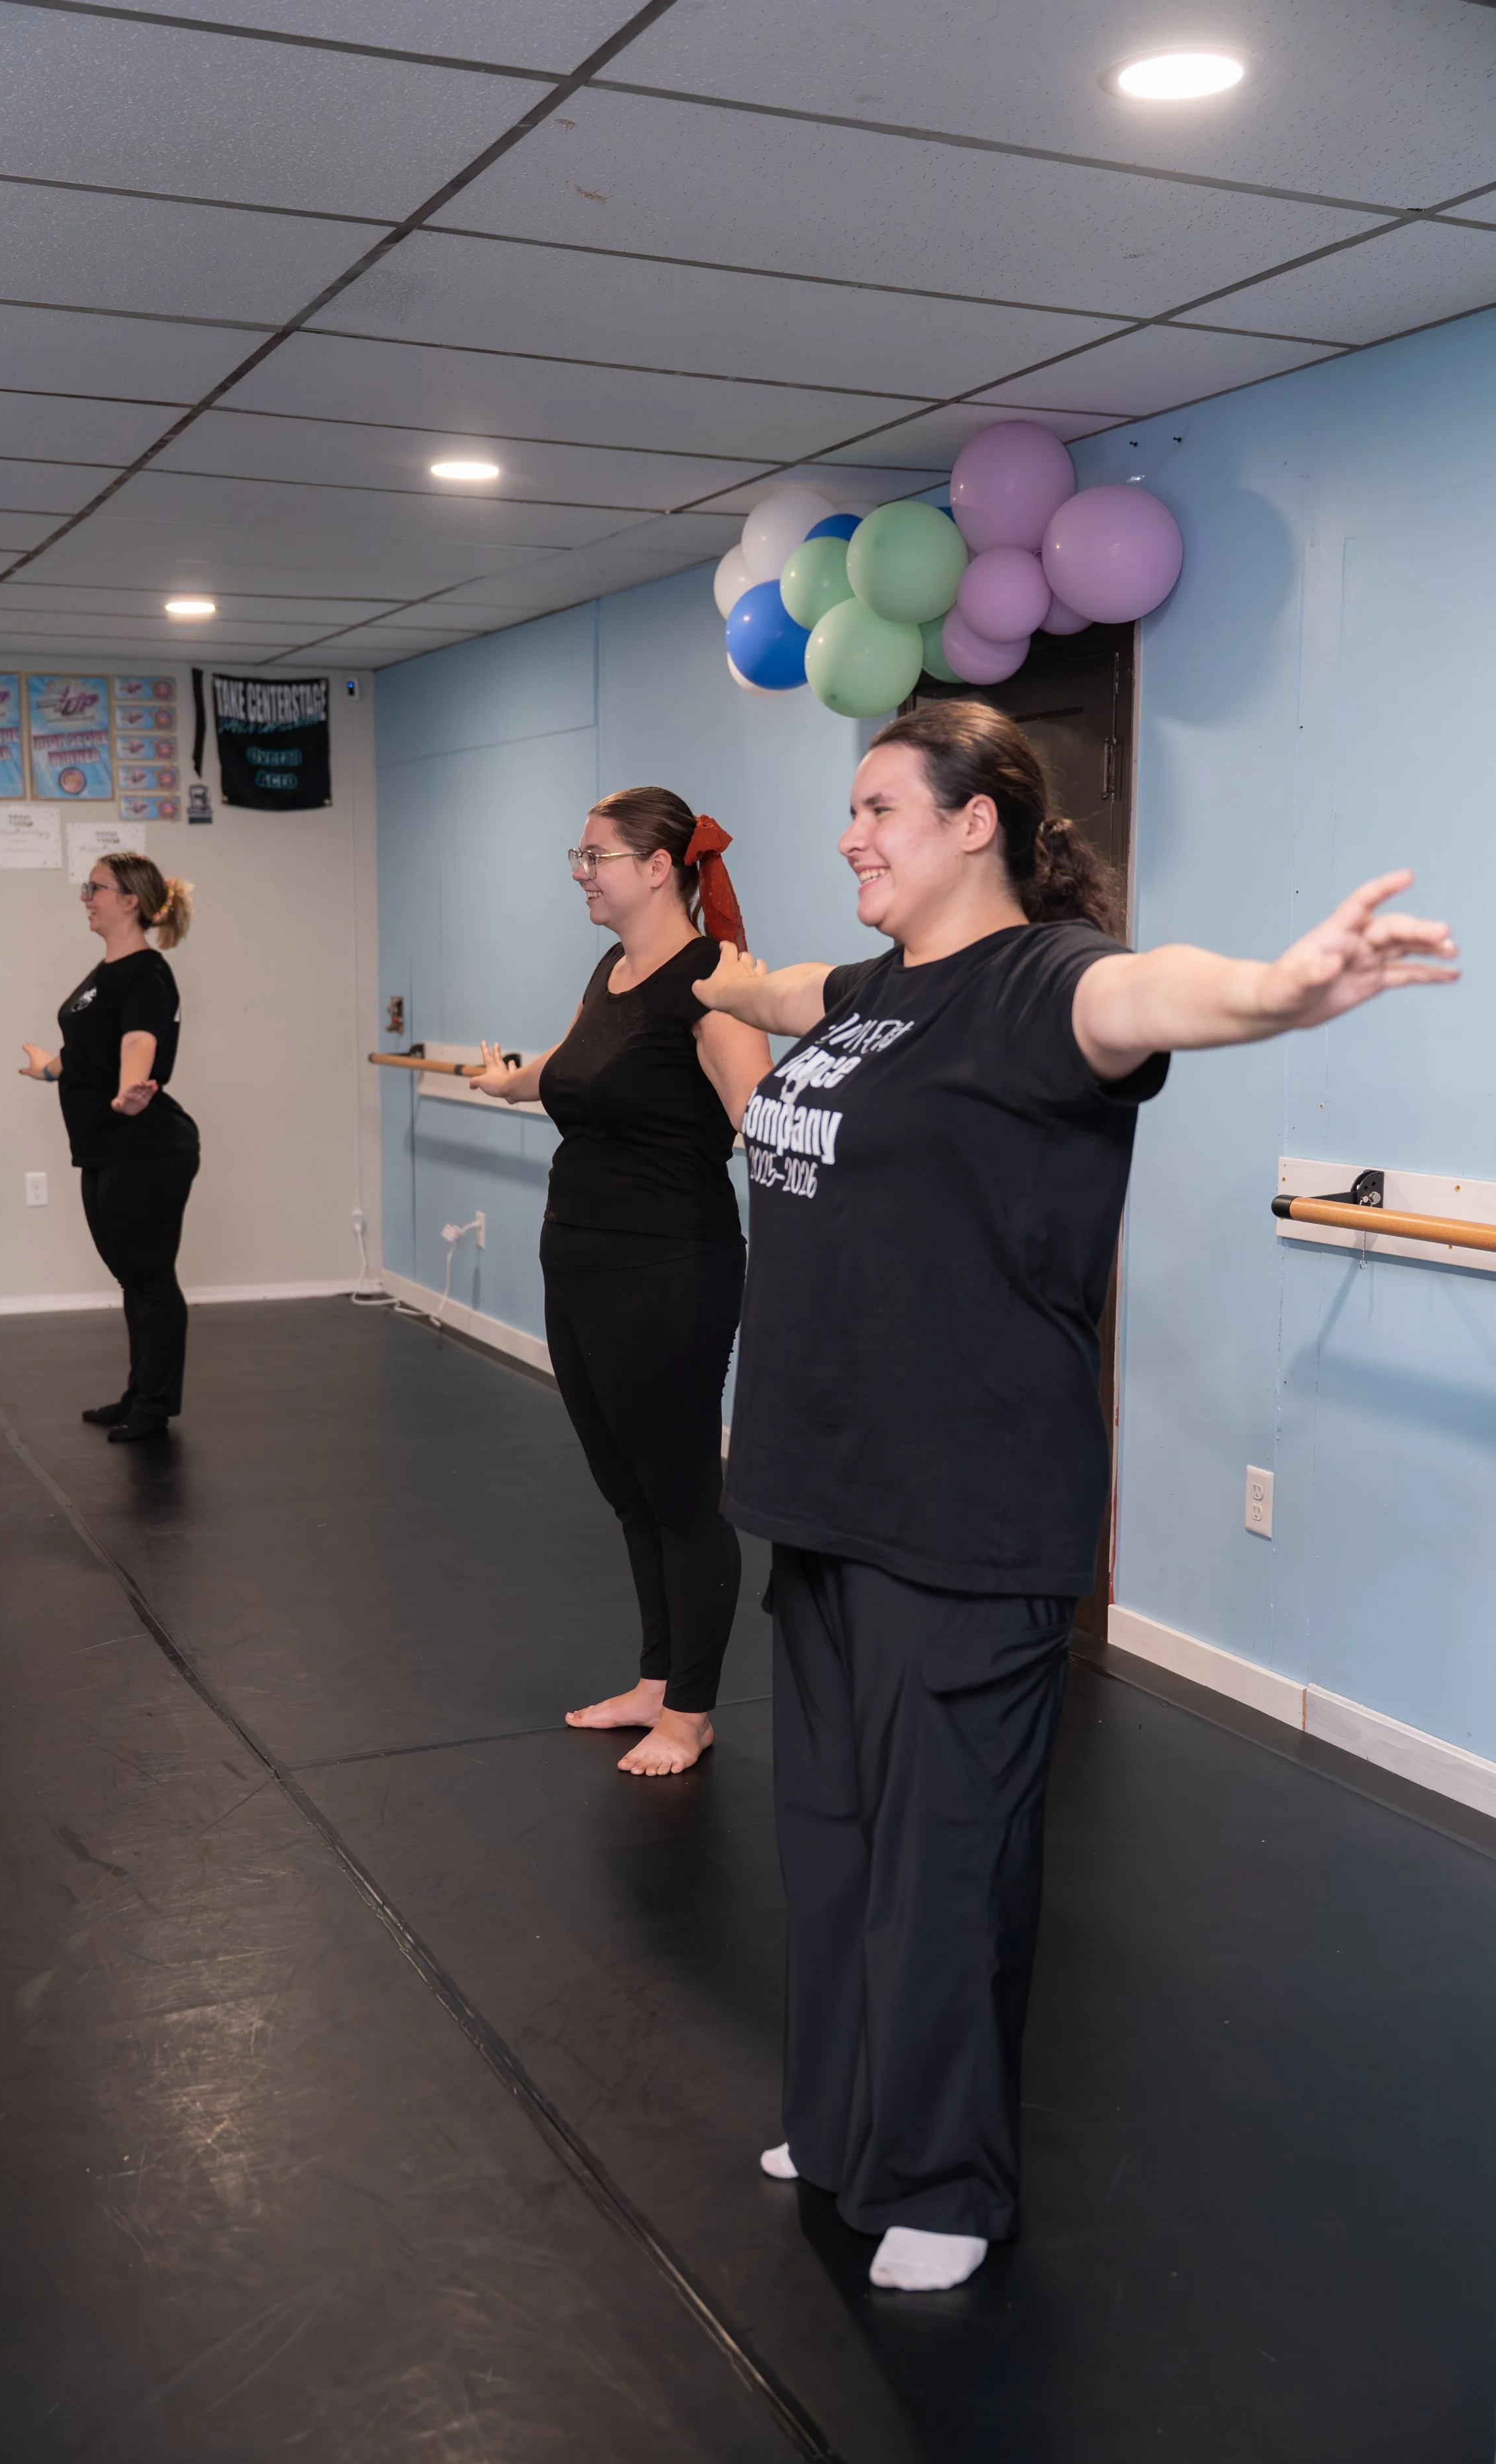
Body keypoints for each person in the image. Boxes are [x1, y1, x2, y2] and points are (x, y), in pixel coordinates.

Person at [693, 698, 1457, 2291]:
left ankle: (943, 2179)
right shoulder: (876, 989)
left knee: (945, 1853)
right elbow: (777, 987)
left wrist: (1277, 989)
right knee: (830, 1830)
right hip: (827, 1485)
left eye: (878, 805)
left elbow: (1154, 993)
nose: (851, 832)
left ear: (976, 821)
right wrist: (717, 970)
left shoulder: (1042, 986)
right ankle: (840, 2114)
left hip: (969, 1503)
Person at [473, 792, 771, 1777]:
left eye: (594, 854)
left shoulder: (713, 984)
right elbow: (574, 1062)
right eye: (579, 852)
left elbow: (767, 1125)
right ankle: (656, 1679)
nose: (579, 870)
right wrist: (508, 1080)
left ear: (657, 867)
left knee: (681, 1490)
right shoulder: (613, 968)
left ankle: (692, 1709)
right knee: (626, 1484)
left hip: (669, 1270)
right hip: (582, 1259)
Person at [20, 851, 199, 1444]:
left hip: (146, 1146)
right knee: (133, 1278)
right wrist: (49, 1070)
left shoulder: (147, 972)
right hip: (105, 1146)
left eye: (94, 888)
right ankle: (137, 1392)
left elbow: (139, 1040)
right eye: (86, 887)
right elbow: (88, 1046)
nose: (85, 897)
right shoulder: (105, 973)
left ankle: (154, 1407)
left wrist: (131, 1089)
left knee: (149, 1279)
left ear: (130, 901)